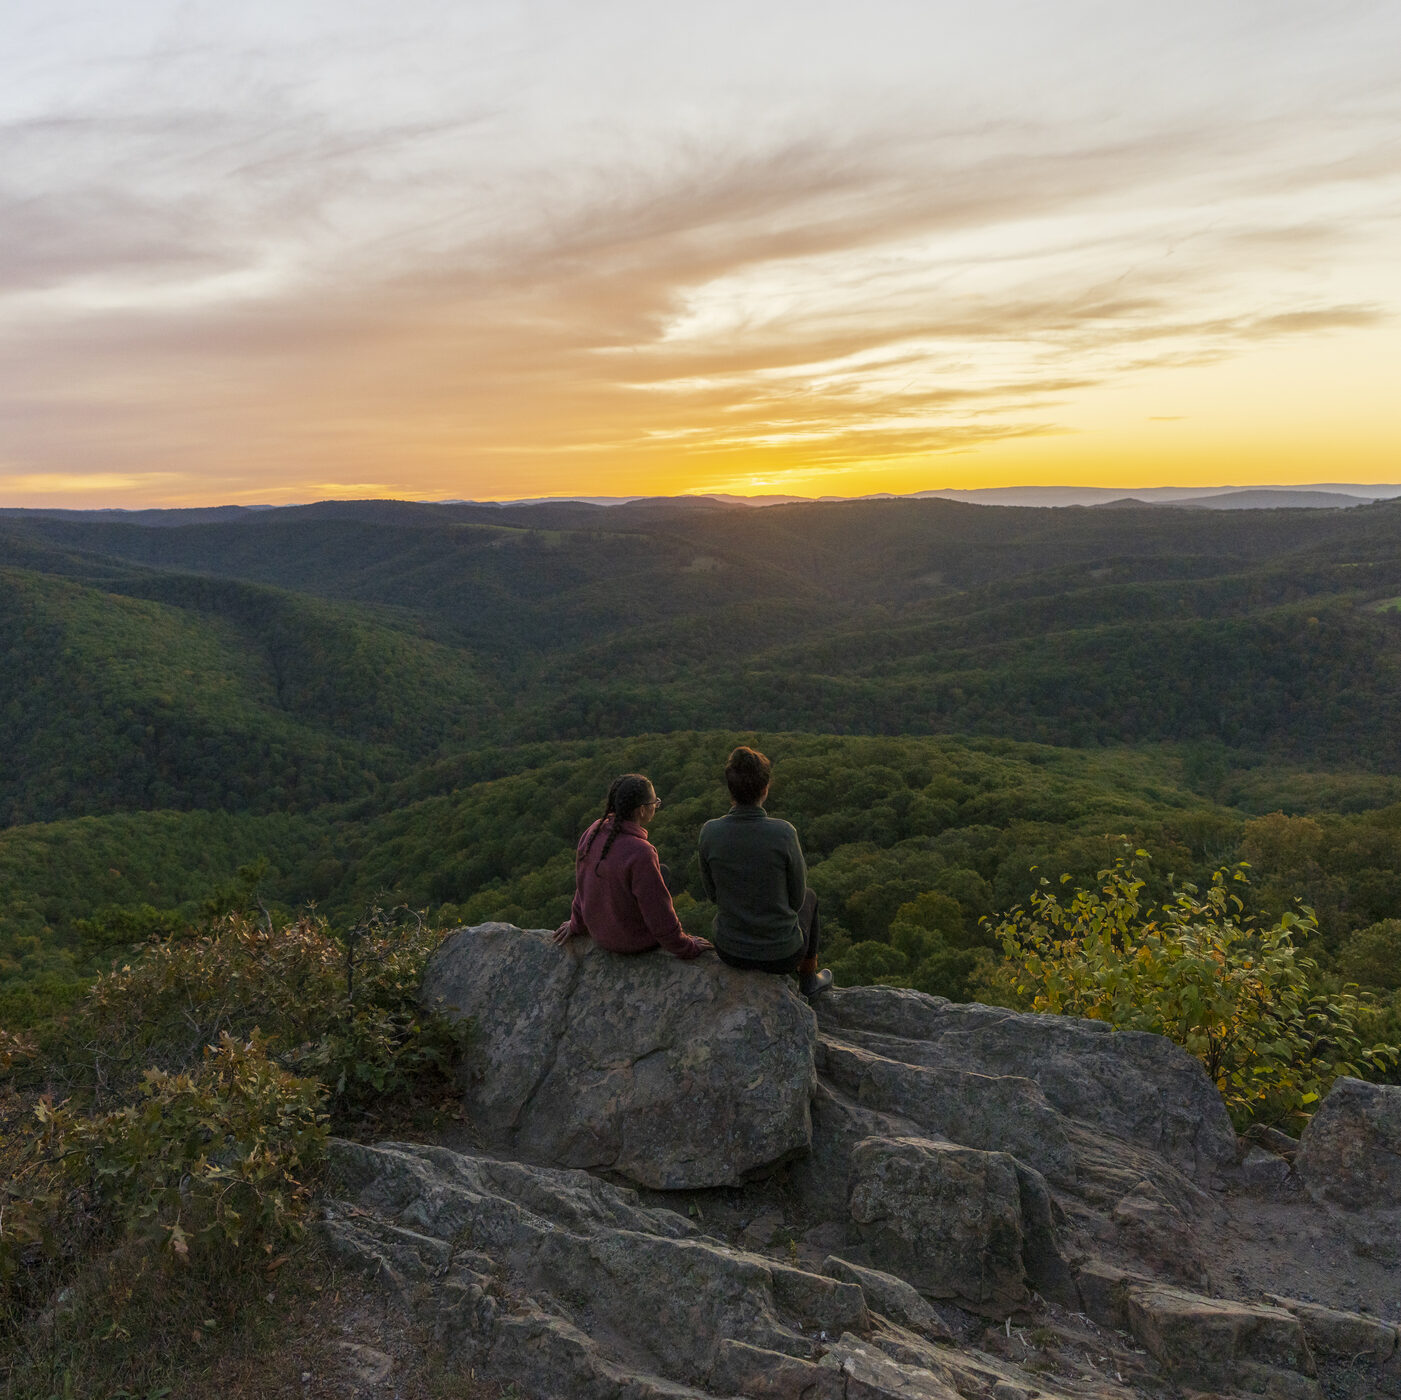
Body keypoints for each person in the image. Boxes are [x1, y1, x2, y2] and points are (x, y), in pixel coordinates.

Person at [697, 746, 833, 1000]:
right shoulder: (783, 833)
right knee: (811, 897)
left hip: (730, 952)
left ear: (730, 789)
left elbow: (713, 895)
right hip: (781, 956)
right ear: (766, 788)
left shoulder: (710, 832)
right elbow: (797, 900)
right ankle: (808, 980)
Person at [553, 773, 712, 960]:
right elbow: (659, 914)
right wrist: (687, 946)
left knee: (662, 871)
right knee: (660, 876)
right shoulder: (641, 852)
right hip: (632, 941)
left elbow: (584, 883)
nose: (656, 806)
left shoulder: (593, 831)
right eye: (655, 803)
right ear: (642, 810)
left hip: (600, 934)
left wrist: (576, 923)